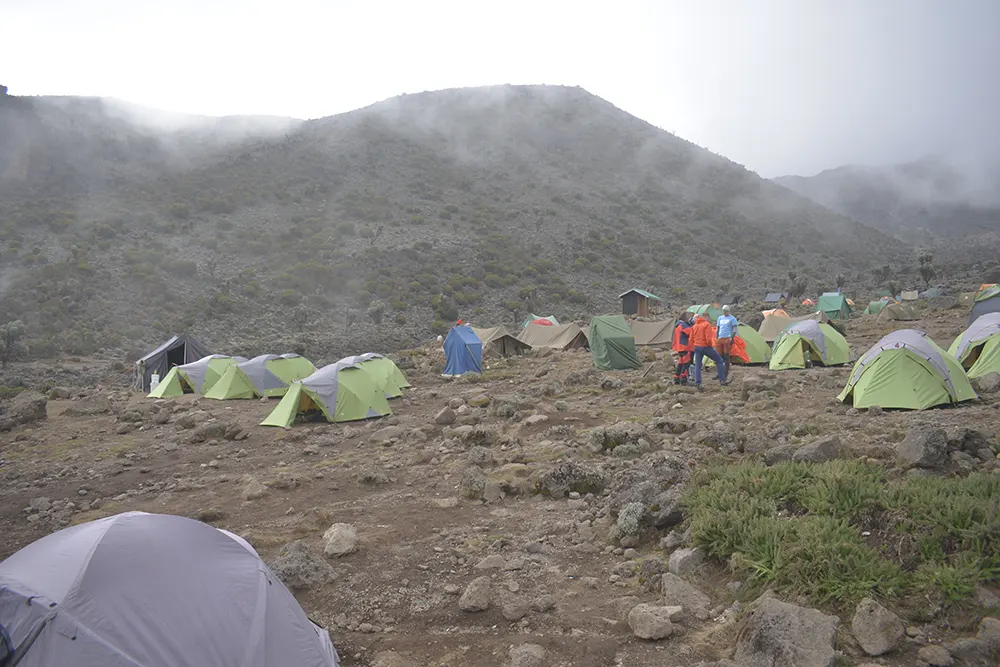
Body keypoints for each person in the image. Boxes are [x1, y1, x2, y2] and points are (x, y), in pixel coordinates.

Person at [690, 313, 726, 389]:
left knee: (698, 365)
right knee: (719, 360)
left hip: (697, 347)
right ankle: (722, 380)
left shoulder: (694, 326)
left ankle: (698, 383)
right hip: (705, 346)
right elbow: (708, 338)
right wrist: (710, 345)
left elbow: (690, 339)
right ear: (706, 317)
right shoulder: (707, 324)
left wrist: (695, 345)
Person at [715, 305, 739, 381]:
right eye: (724, 311)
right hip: (720, 338)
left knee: (726, 356)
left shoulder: (732, 319)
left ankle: (725, 374)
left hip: (727, 338)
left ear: (728, 311)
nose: (725, 312)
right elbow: (718, 328)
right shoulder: (720, 318)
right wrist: (716, 337)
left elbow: (734, 329)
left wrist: (731, 337)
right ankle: (719, 373)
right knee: (719, 357)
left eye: (726, 311)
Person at [671, 311, 694, 385]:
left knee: (680, 363)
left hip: (680, 347)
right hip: (685, 346)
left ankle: (676, 378)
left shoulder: (678, 324)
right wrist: (693, 326)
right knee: (686, 363)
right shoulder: (683, 325)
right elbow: (690, 332)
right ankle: (684, 380)